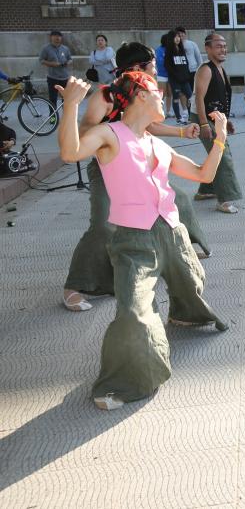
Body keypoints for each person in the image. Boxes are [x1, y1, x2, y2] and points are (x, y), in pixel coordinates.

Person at [56, 71, 229, 410]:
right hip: (134, 242)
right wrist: (71, 106)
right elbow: (70, 152)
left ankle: (187, 314)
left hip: (173, 232)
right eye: (156, 91)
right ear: (137, 95)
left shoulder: (157, 143)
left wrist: (219, 139)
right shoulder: (109, 134)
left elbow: (203, 174)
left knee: (191, 282)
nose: (162, 96)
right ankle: (122, 383)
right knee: (135, 313)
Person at [60, 42, 212, 313]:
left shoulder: (142, 91)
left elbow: (148, 124)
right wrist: (115, 133)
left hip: (141, 163)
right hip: (109, 164)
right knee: (103, 225)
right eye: (152, 65)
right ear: (137, 67)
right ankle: (76, 285)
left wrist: (179, 133)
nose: (156, 69)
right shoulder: (105, 95)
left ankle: (180, 252)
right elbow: (84, 131)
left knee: (180, 201)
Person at [193, 33, 243, 213]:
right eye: (218, 46)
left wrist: (226, 121)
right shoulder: (205, 69)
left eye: (224, 46)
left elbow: (221, 98)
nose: (223, 49)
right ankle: (225, 200)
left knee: (217, 153)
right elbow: (199, 98)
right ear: (207, 48)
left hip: (216, 119)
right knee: (223, 156)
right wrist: (204, 124)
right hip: (204, 118)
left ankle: (207, 190)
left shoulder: (221, 69)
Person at [163, 30, 192, 124]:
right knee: (176, 98)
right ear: (171, 39)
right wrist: (177, 76)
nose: (177, 39)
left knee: (190, 97)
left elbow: (186, 64)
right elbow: (168, 67)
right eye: (175, 37)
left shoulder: (182, 50)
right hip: (175, 80)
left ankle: (190, 116)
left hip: (185, 80)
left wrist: (187, 75)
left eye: (179, 37)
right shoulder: (169, 52)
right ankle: (179, 118)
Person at [39, 29, 74, 106]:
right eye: (55, 36)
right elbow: (41, 60)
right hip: (53, 78)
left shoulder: (65, 48)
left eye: (59, 36)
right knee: (52, 99)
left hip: (65, 77)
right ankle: (53, 117)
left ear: (61, 38)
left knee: (66, 98)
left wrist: (68, 62)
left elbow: (70, 59)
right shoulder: (46, 48)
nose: (57, 38)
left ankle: (66, 116)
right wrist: (52, 64)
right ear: (51, 37)